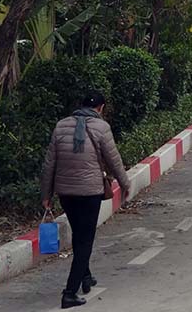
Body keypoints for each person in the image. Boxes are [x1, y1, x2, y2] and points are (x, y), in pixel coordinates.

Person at [41, 92, 131, 309]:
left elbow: (49, 163)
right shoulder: (102, 128)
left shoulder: (61, 126)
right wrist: (125, 184)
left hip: (66, 194)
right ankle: (69, 292)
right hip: (89, 193)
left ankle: (86, 277)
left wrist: (46, 194)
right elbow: (114, 159)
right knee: (85, 241)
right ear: (100, 108)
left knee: (79, 235)